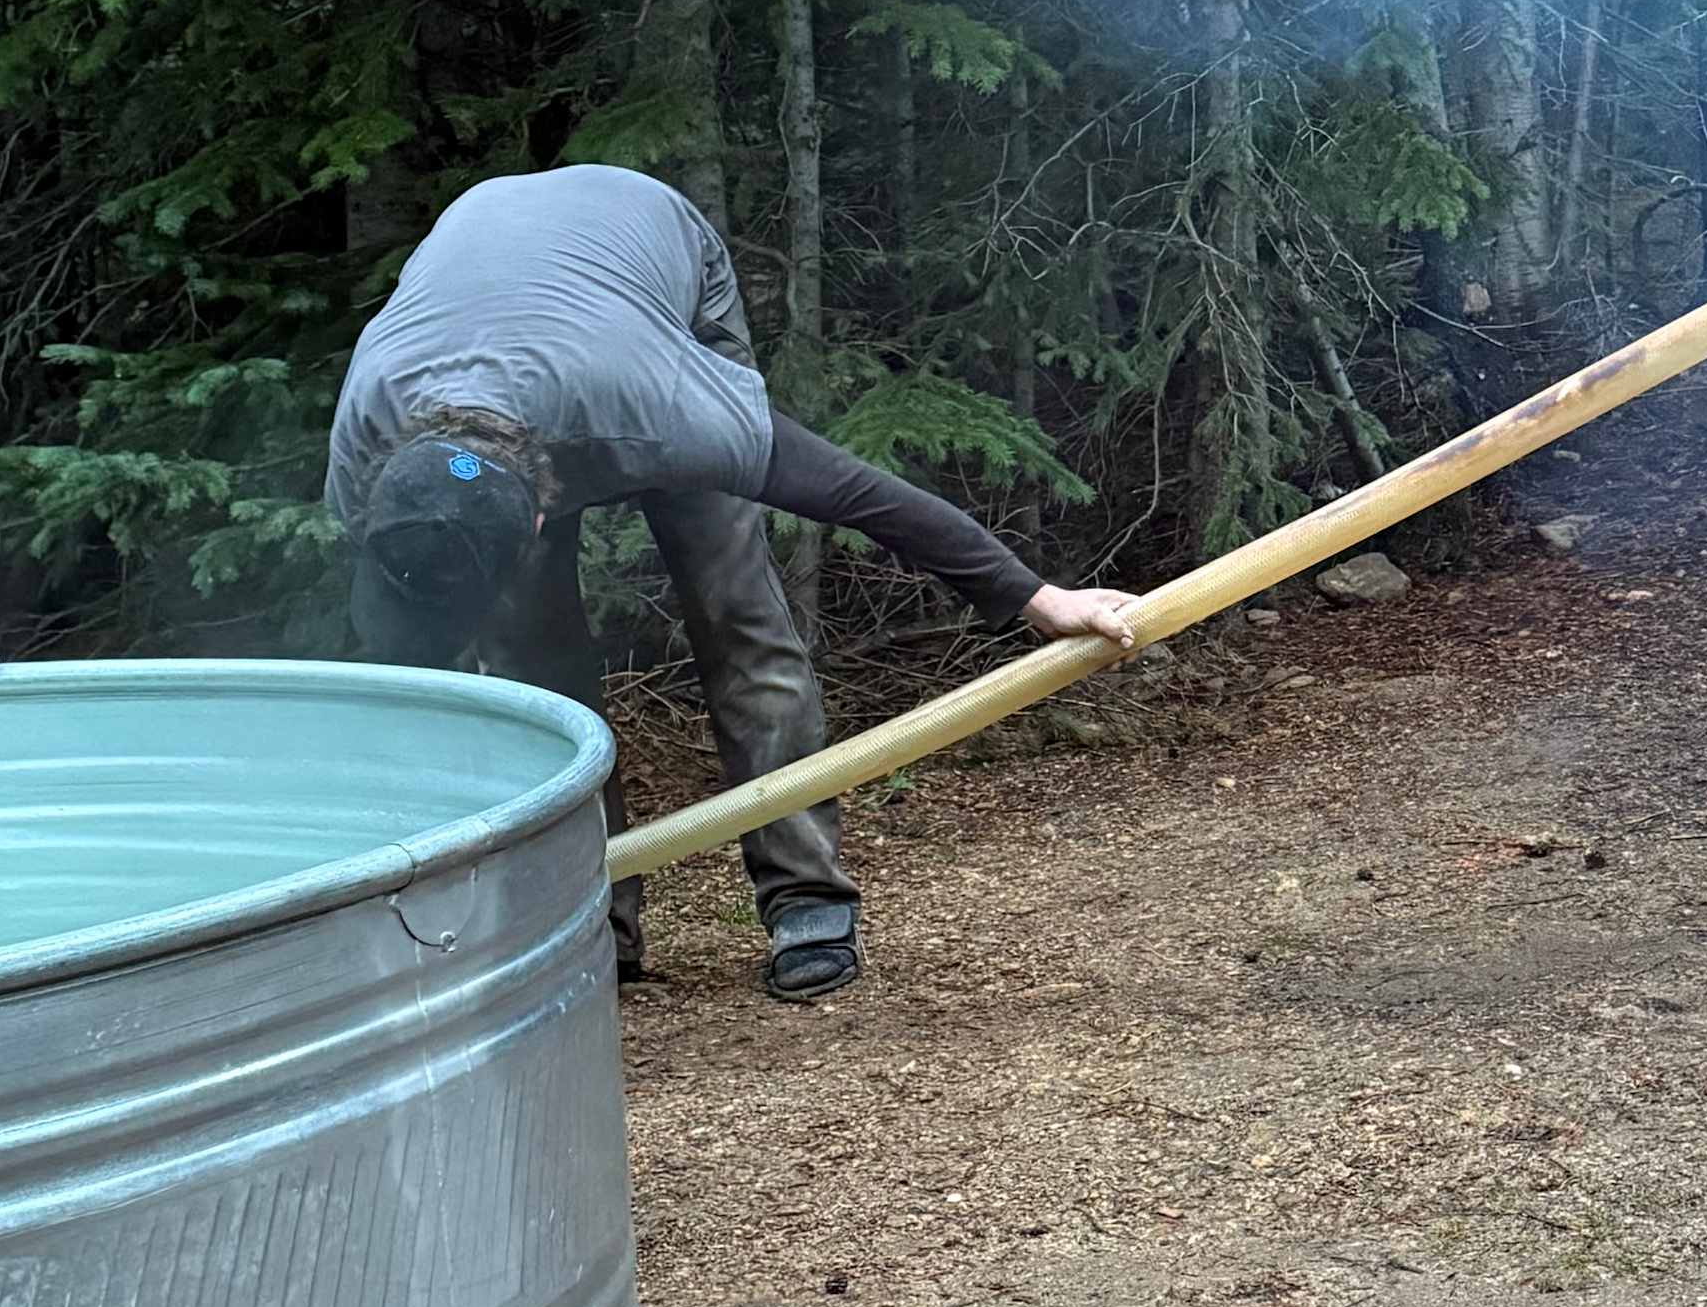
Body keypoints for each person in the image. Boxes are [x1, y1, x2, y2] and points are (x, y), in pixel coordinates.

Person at [329, 166, 1137, 998]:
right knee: (537, 675)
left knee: (733, 609)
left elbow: (860, 494)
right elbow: (402, 674)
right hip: (496, 254)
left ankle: (805, 898)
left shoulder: (666, 410)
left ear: (539, 521)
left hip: (651, 258)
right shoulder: (370, 455)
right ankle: (591, 924)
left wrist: (1039, 600)